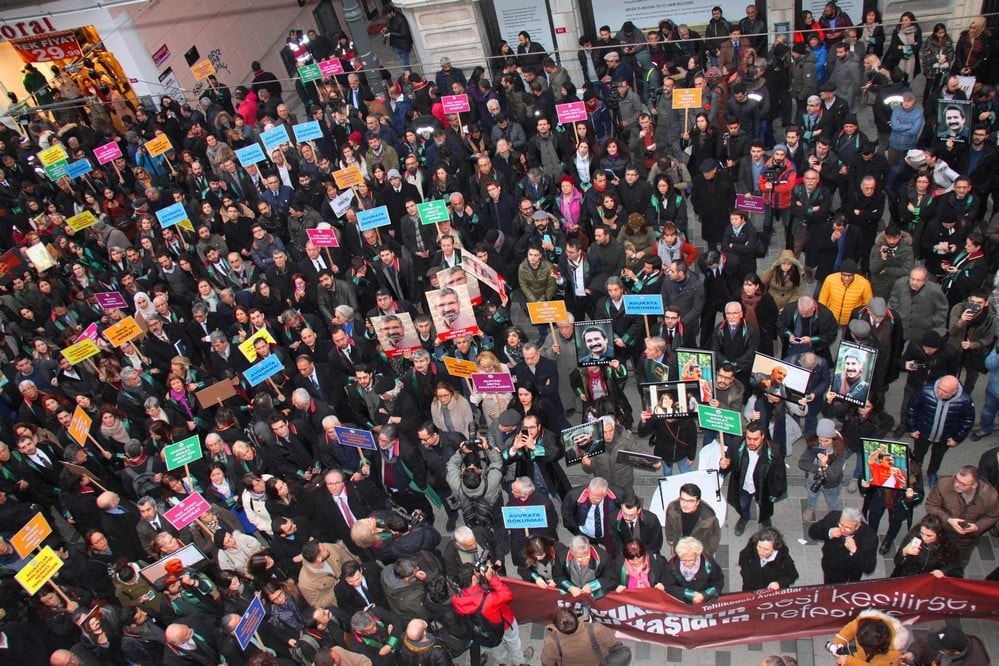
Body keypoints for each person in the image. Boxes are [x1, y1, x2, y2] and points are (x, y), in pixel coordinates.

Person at [451, 562, 533, 666]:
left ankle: (502, 661)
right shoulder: (488, 599)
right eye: (476, 573)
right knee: (513, 641)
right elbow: (507, 594)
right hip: (505, 624)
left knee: (495, 645)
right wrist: (492, 578)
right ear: (473, 579)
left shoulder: (456, 600)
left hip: (485, 630)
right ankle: (519, 661)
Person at [905, 375, 976, 487]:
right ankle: (915, 473)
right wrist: (912, 428)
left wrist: (957, 438)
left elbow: (968, 421)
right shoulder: (925, 391)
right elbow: (912, 409)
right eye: (939, 388)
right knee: (918, 454)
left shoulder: (965, 400)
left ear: (954, 391)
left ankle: (932, 473)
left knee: (938, 456)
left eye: (945, 391)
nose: (940, 392)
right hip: (923, 433)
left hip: (945, 437)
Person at [719, 420, 787, 536]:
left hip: (763, 488)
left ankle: (765, 520)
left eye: (755, 439)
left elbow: (779, 473)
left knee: (765, 506)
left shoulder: (773, 451)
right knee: (743, 505)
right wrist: (724, 465)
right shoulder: (737, 444)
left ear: (763, 437)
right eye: (749, 438)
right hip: (743, 486)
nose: (751, 442)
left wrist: (775, 492)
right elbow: (728, 461)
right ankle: (744, 517)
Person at [924, 465, 999, 564]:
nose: (956, 484)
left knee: (958, 563)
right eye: (956, 479)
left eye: (963, 484)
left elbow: (993, 516)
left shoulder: (990, 496)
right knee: (932, 559)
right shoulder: (944, 484)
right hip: (940, 533)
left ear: (974, 486)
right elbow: (931, 505)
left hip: (966, 541)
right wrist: (948, 520)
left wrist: (978, 526)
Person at [807, 506, 879, 583]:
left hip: (849, 573)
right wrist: (829, 532)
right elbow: (812, 531)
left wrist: (854, 551)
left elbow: (869, 568)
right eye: (841, 525)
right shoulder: (833, 517)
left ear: (857, 526)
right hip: (829, 563)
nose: (842, 530)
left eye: (848, 528)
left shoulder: (869, 537)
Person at [540, 607, 624, 666]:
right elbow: (613, 643)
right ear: (575, 616)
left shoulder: (552, 641)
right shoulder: (596, 629)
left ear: (556, 625)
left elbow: (547, 662)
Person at [827, 609, 911, 666]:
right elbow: (849, 629)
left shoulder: (892, 654)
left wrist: (848, 661)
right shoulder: (863, 622)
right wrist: (838, 643)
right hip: (864, 656)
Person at [890, 514, 963, 578]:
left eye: (929, 535)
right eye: (922, 533)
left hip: (928, 581)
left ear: (939, 534)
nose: (924, 538)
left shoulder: (948, 544)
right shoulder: (913, 536)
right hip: (907, 577)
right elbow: (897, 561)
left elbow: (956, 568)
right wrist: (904, 552)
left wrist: (943, 572)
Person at [663, 483, 720, 557]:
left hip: (697, 550)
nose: (685, 504)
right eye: (683, 499)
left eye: (690, 501)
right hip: (679, 545)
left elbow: (714, 539)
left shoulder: (709, 518)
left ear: (697, 502)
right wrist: (670, 539)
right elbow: (669, 526)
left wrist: (706, 554)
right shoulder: (673, 509)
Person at [665, 536, 724, 605]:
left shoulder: (708, 564)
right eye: (683, 560)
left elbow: (718, 583)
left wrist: (704, 595)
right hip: (682, 604)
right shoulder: (673, 564)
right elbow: (668, 586)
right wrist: (689, 594)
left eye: (691, 560)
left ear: (697, 555)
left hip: (704, 603)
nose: (687, 563)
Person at [738, 526, 799, 591]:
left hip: (769, 591)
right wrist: (745, 573)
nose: (761, 552)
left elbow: (793, 575)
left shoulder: (783, 558)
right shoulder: (753, 543)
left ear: (775, 548)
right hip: (750, 588)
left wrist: (779, 583)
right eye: (759, 547)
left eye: (766, 549)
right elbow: (743, 555)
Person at [902, 625, 991, 665]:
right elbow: (922, 643)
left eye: (941, 647)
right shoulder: (938, 632)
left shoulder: (976, 662)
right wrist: (913, 654)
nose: (935, 645)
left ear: (955, 652)